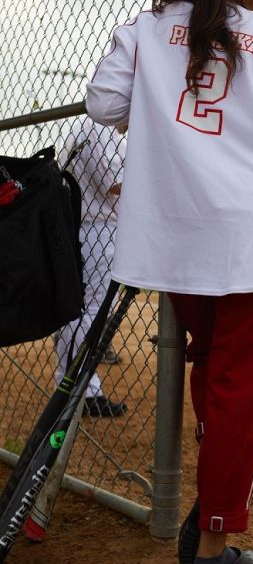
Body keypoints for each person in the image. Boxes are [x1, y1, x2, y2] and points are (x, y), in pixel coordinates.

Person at [85, 0, 253, 564]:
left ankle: (208, 505)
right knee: (245, 395)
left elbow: (104, 103)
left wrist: (164, 108)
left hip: (173, 244)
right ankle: (213, 545)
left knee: (215, 375)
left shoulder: (146, 26)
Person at [54, 118, 128, 417]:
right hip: (96, 230)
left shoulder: (93, 127)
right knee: (88, 313)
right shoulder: (98, 126)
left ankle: (77, 386)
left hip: (91, 228)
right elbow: (114, 183)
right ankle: (80, 390)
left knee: (85, 313)